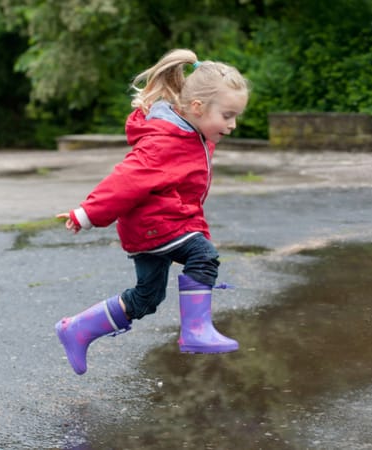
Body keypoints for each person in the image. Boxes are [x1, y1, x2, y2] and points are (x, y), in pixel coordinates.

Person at [54, 49, 250, 375]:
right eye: (228, 115)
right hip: (155, 226)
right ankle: (196, 331)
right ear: (198, 108)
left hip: (160, 226)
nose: (233, 125)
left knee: (147, 299)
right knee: (203, 256)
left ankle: (76, 330)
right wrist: (87, 214)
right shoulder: (165, 141)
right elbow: (126, 180)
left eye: (235, 116)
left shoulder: (193, 133)